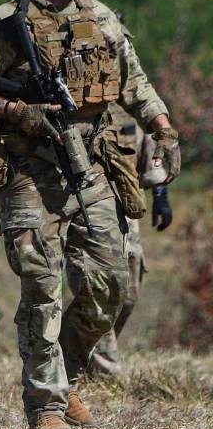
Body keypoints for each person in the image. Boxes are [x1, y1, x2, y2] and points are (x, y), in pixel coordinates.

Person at [0, 0, 179, 429]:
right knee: (42, 283)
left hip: (90, 164)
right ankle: (45, 403)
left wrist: (162, 129)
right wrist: (17, 111)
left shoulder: (105, 19)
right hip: (28, 167)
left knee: (112, 283)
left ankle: (67, 375)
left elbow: (134, 83)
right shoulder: (2, 25)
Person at [86, 102, 173, 376]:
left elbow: (150, 148)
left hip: (127, 209)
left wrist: (161, 197)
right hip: (86, 211)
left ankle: (85, 351)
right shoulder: (75, 107)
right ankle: (101, 371)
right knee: (99, 288)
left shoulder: (128, 106)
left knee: (129, 292)